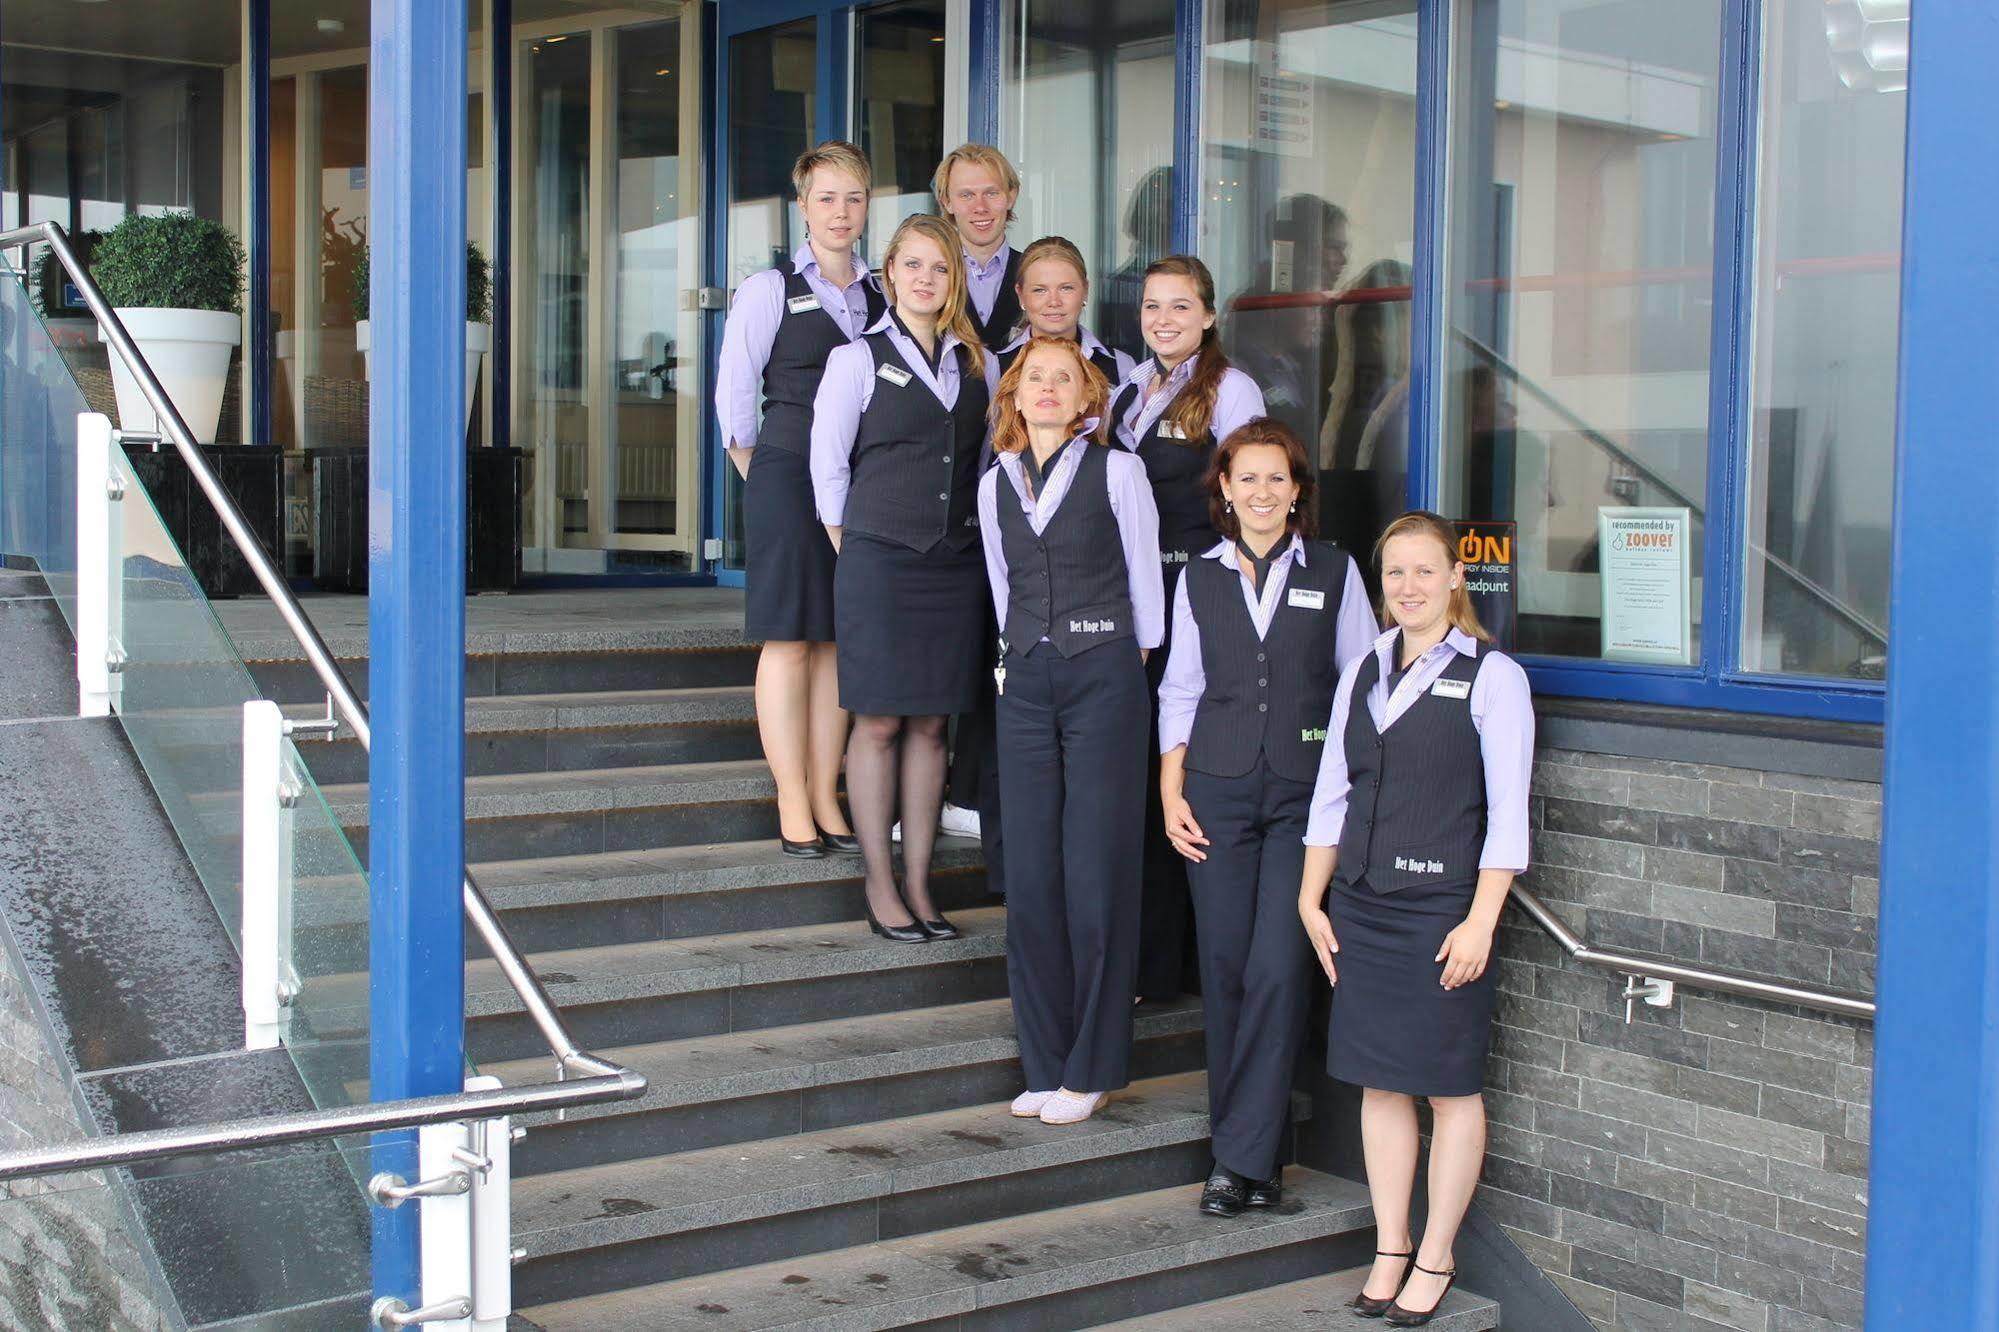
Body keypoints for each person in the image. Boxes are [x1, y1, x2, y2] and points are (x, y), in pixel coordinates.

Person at [1296, 510, 1534, 1327]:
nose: (1408, 587)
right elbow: (1334, 787)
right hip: (1360, 904)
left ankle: (1436, 1252)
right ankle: (1389, 1244)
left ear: (1455, 577)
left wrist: (1481, 921)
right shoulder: (1363, 666)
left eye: (1424, 571)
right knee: (1379, 1082)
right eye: (1394, 572)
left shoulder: (1493, 676)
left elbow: (1508, 815)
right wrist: (1308, 895)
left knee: (1447, 1089)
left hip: (1442, 911)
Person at [1155, 418, 1376, 1217]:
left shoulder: (1335, 570)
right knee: (1223, 972)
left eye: (1275, 478)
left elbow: (1359, 686)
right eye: (1245, 478)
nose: (1260, 492)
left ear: (1295, 491)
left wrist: (1353, 796)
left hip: (1302, 796)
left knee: (1279, 969)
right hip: (1212, 790)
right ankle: (1248, 1162)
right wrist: (1170, 790)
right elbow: (1180, 687)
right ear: (1223, 489)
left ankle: (1238, 1158)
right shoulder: (1201, 578)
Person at [978, 335, 1163, 1126]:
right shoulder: (993, 486)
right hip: (1024, 681)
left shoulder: (1119, 472)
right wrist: (1016, 654)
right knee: (1030, 873)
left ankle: (1092, 1065)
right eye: (1032, 379)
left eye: (1064, 379)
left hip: (1104, 677)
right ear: (1013, 398)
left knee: (1095, 869)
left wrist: (1119, 666)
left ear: (1090, 399)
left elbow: (1146, 592)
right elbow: (1000, 583)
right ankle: (1045, 1060)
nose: (1047, 389)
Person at [811, 214, 998, 942]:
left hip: (954, 565)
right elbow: (827, 470)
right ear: (889, 274)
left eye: (940, 268)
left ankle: (920, 883)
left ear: (955, 281)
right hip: (879, 560)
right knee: (880, 720)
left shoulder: (978, 364)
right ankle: (879, 883)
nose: (926, 279)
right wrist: (857, 546)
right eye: (913, 266)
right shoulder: (854, 360)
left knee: (930, 725)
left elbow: (985, 466)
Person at [714, 140, 880, 860]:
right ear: (802, 207)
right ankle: (791, 794)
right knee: (788, 637)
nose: (840, 212)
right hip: (785, 471)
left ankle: (824, 790)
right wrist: (761, 469)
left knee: (837, 641)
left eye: (853, 197)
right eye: (826, 198)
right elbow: (733, 395)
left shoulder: (882, 291)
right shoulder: (769, 288)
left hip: (859, 481)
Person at [1112, 255, 1267, 1003]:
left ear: (1208, 314)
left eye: (1180, 307)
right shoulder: (1129, 389)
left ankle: (1188, 967)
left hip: (1197, 602)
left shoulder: (1231, 389)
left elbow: (1249, 497)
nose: (1164, 319)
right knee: (1148, 781)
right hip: (1139, 606)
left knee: (1188, 777)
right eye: (1151, 307)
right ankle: (1149, 963)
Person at [995, 235, 1136, 386]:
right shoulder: (995, 367)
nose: (1054, 302)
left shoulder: (1121, 366)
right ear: (1021, 295)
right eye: (1040, 290)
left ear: (1085, 290)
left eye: (1066, 288)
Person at [935, 143, 1025, 354]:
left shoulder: (1033, 273)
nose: (980, 207)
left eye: (991, 193)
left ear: (1011, 197)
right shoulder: (929, 276)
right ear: (947, 202)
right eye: (966, 195)